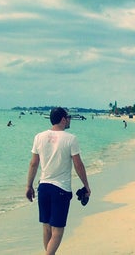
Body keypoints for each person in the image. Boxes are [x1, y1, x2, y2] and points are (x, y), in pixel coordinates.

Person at [26, 107, 91, 255]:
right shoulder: (70, 138)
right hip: (60, 189)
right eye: (68, 117)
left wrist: (28, 185)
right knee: (58, 229)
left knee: (46, 227)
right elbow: (78, 165)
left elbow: (33, 163)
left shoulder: (39, 137)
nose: (69, 120)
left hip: (43, 187)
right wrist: (86, 185)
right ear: (63, 119)